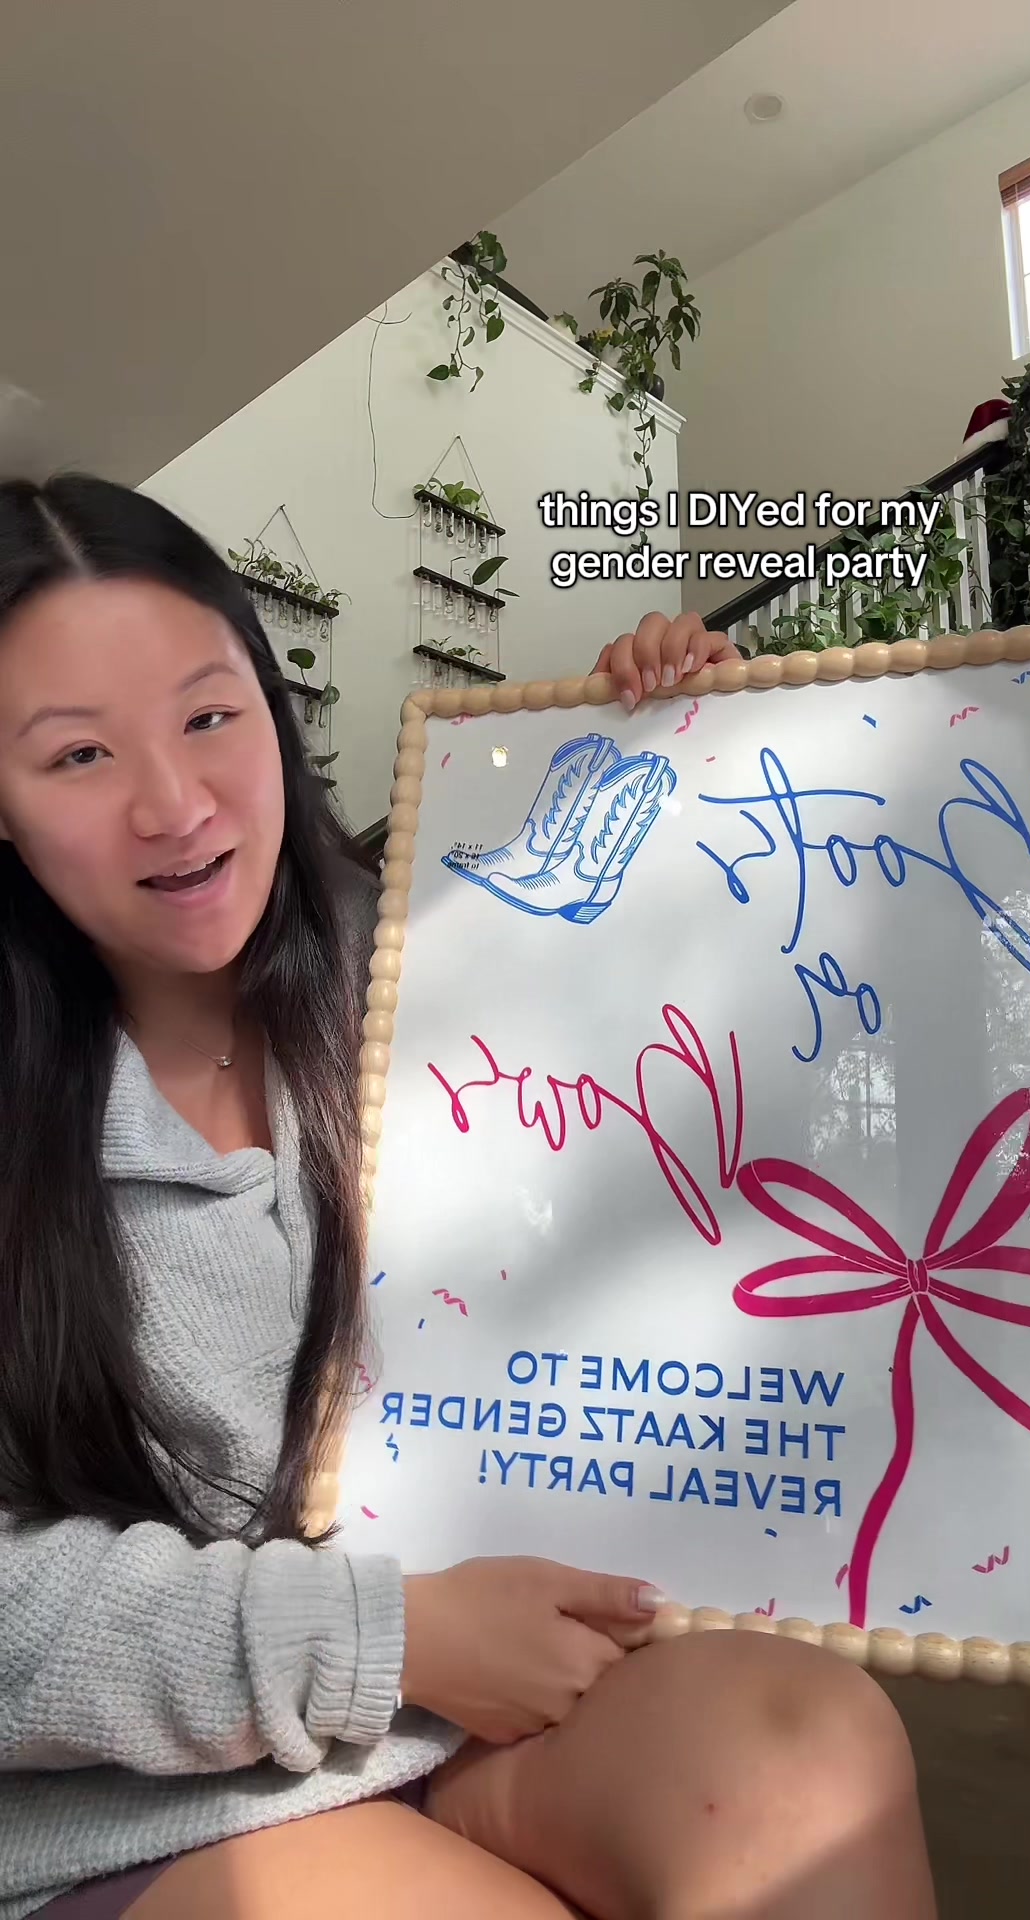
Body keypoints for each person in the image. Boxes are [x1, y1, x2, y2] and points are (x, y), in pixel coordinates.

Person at [0, 474, 936, 1920]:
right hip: (134, 1797)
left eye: (209, 716)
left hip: (461, 1701)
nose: (175, 805)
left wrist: (700, 766)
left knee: (809, 1754)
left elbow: (705, 1111)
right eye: (77, 755)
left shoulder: (428, 959)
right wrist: (383, 1636)